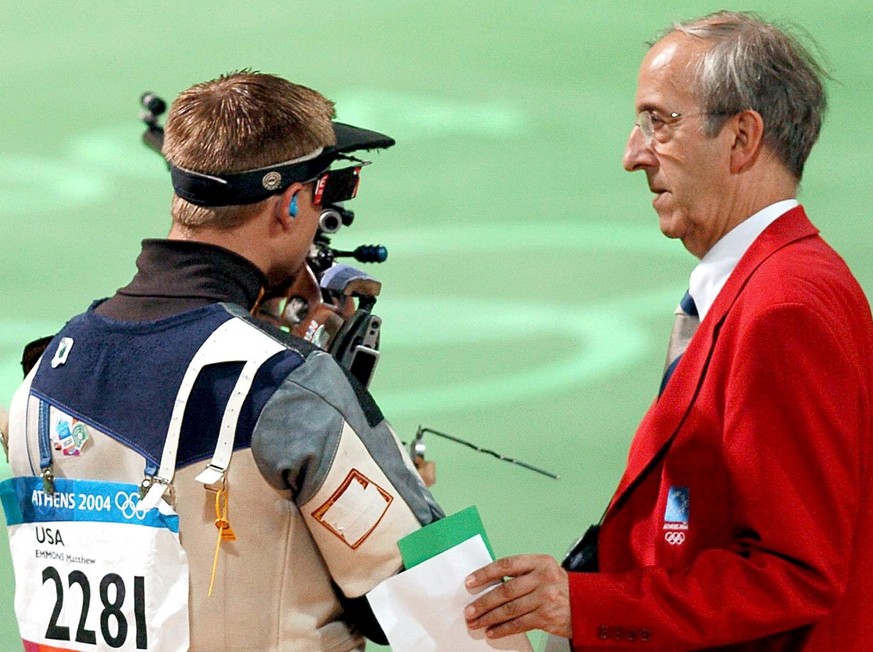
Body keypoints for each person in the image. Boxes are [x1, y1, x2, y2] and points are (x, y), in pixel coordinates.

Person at [465, 11, 873, 651]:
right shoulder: (752, 286)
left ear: (741, 138)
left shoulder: (785, 307)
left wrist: (586, 604)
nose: (632, 156)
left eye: (660, 123)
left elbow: (794, 574)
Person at [1, 71, 443, 651]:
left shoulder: (38, 381)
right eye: (326, 191)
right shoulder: (288, 387)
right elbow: (431, 602)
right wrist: (390, 467)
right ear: (290, 203)